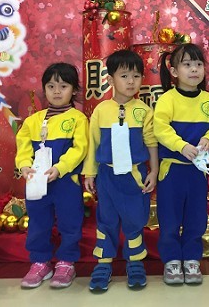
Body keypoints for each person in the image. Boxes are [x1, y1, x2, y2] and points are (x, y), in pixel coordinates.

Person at [83, 49, 159, 292]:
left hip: (135, 176)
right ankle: (103, 264)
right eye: (124, 76)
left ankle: (135, 262)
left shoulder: (144, 111)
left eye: (136, 76)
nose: (130, 81)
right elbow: (93, 143)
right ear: (110, 79)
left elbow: (151, 143)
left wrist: (153, 172)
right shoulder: (101, 110)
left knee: (134, 220)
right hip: (107, 176)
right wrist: (90, 173)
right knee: (106, 219)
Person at [153, 43, 209, 285]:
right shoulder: (167, 100)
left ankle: (192, 259)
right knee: (169, 217)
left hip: (197, 172)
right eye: (187, 64)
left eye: (198, 64)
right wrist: (181, 146)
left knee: (196, 217)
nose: (194, 69)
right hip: (171, 170)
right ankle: (172, 260)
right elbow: (160, 128)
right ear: (174, 71)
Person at [15, 62, 89, 289]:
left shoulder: (78, 118)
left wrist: (60, 168)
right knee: (38, 222)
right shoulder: (33, 120)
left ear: (74, 90)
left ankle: (66, 262)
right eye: (51, 86)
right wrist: (24, 166)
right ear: (44, 89)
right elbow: (23, 147)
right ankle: (40, 262)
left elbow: (80, 149)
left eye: (63, 86)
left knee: (70, 222)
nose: (57, 91)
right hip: (37, 182)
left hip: (66, 182)